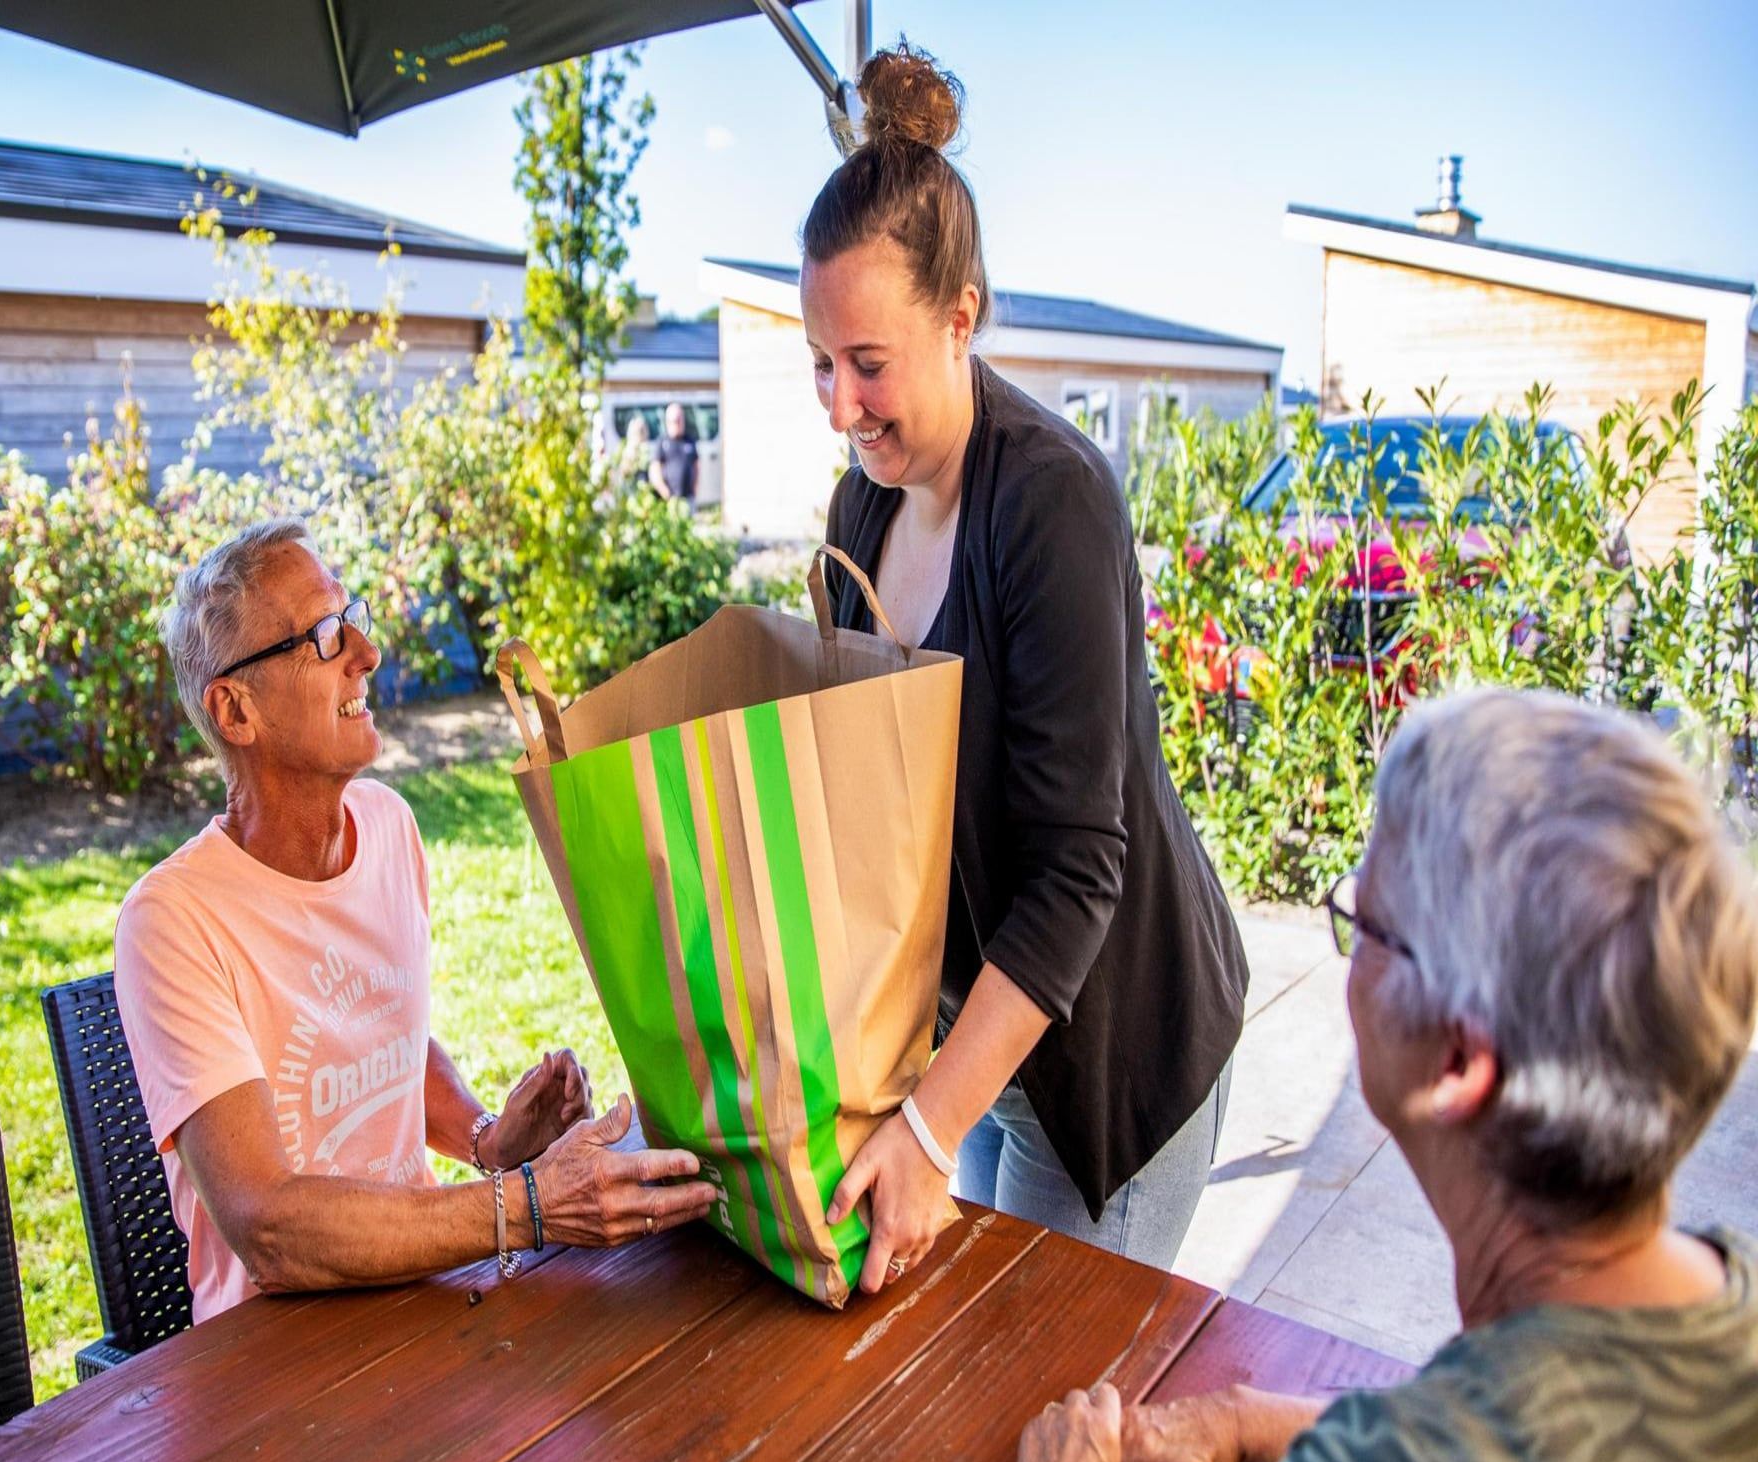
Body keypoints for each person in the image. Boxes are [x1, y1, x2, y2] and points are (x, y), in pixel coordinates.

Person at [1008, 688, 1758, 1462]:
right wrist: (1248, 1418)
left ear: (1458, 1065)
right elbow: (1515, 1439)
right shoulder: (1728, 1290)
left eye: (1368, 916)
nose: (1353, 932)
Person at [805, 44, 1247, 1289]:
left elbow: (1075, 868)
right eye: (821, 367)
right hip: (972, 1054)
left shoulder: (1049, 501)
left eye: (869, 365)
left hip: (1112, 1062)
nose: (841, 406)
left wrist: (927, 1131)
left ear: (961, 316)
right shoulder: (863, 510)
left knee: (1031, 1407)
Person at [115, 518, 716, 1322]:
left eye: (354, 617)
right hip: (269, 1360)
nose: (367, 653)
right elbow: (268, 1227)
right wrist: (528, 1202)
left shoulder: (389, 827)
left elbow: (375, 1029)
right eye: (325, 636)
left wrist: (489, 1140)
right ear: (235, 711)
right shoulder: (173, 921)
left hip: (418, 1299)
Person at [648, 401, 699, 502]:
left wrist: (695, 489)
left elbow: (696, 466)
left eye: (680, 420)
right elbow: (654, 469)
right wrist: (664, 491)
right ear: (668, 422)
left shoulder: (689, 441)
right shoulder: (662, 443)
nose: (678, 423)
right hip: (668, 499)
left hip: (687, 497)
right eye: (675, 420)